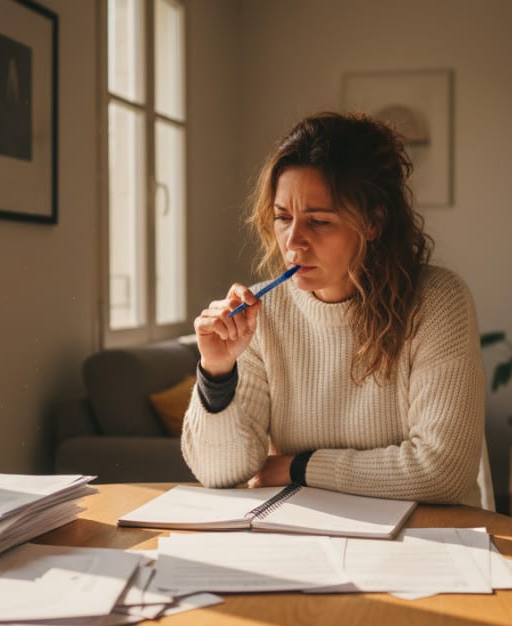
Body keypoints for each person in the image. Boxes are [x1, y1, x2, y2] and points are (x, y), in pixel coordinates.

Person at [183, 111, 493, 511]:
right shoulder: (264, 313)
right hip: (307, 539)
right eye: (282, 218)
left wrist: (300, 467)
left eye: (320, 221)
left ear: (373, 222)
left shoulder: (437, 301)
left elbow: (442, 471)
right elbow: (221, 472)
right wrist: (216, 372)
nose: (294, 241)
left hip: (428, 540)